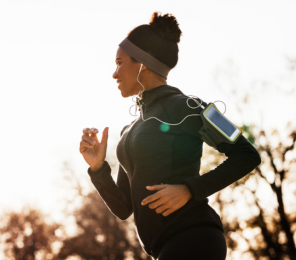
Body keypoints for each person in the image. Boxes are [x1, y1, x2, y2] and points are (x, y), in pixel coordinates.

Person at [79, 12, 261, 260]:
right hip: (163, 248)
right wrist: (99, 168)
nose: (114, 73)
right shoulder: (129, 131)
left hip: (195, 238)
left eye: (119, 63)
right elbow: (123, 208)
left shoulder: (191, 107)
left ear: (142, 63)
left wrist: (189, 189)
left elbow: (247, 154)